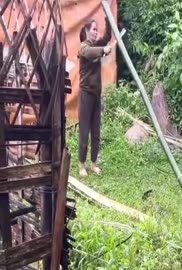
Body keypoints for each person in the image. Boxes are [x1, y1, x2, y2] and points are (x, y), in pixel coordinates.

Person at [77, 17, 112, 177]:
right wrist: (103, 50)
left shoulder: (96, 45)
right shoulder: (83, 47)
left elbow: (106, 39)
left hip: (96, 94)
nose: (96, 32)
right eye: (94, 29)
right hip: (85, 95)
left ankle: (93, 164)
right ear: (86, 31)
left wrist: (108, 20)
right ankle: (81, 165)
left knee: (96, 132)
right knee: (84, 131)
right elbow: (89, 53)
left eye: (97, 29)